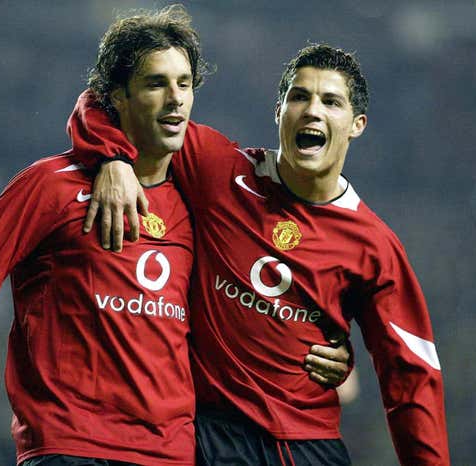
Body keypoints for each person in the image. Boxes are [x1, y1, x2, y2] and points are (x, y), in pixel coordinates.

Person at [0, 7, 350, 465]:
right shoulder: (53, 184)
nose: (175, 99)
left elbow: (246, 295)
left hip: (174, 453)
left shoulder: (201, 202)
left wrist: (318, 343)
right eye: (156, 84)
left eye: (184, 84)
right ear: (117, 96)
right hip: (71, 446)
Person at [67, 43, 450, 465]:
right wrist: (114, 156)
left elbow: (412, 373)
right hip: (213, 438)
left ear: (356, 124)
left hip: (311, 444)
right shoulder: (218, 169)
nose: (312, 110)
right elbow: (105, 101)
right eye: (299, 96)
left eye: (331, 101)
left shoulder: (373, 244)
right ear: (279, 111)